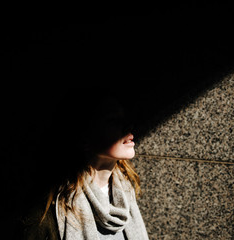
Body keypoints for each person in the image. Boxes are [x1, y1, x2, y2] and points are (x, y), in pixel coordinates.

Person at [20, 91, 149, 240]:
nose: (128, 125)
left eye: (125, 118)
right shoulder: (47, 213)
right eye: (113, 120)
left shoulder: (125, 191)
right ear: (83, 138)